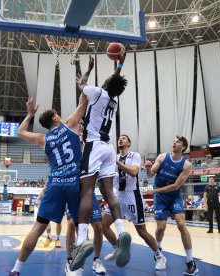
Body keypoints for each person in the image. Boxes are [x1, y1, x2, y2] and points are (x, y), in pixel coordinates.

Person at [9, 92, 88, 276]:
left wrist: (29, 114)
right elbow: (84, 102)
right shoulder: (70, 125)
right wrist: (84, 82)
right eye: (57, 115)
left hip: (55, 184)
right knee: (80, 227)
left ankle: (16, 269)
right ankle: (77, 268)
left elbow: (20, 132)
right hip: (74, 182)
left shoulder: (42, 139)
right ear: (55, 118)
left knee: (38, 227)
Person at [71, 54, 131, 271]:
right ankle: (122, 231)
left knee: (86, 192)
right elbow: (113, 81)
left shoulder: (96, 92)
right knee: (109, 194)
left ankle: (81, 241)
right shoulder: (113, 99)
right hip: (108, 149)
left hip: (94, 146)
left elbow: (83, 85)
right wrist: (120, 64)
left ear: (105, 85)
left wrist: (86, 70)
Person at [103, 134, 166, 270]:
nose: (121, 139)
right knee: (104, 225)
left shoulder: (134, 155)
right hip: (117, 194)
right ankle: (118, 249)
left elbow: (133, 172)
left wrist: (116, 163)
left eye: (124, 138)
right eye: (119, 138)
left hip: (132, 195)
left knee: (141, 231)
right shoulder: (114, 157)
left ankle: (159, 255)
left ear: (129, 143)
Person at [143, 136, 198, 275]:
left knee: (181, 224)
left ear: (183, 147)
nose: (174, 142)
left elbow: (176, 186)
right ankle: (159, 251)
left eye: (178, 141)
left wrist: (154, 190)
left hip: (174, 196)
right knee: (161, 227)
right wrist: (148, 169)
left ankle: (190, 261)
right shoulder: (162, 157)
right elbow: (150, 175)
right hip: (161, 198)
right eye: (173, 140)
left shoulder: (186, 165)